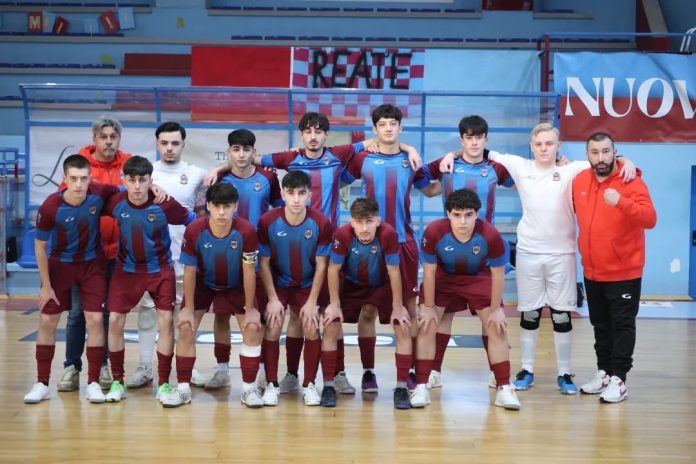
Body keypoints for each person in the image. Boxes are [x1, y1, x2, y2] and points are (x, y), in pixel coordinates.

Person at [208, 112, 422, 396]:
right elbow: (249, 159)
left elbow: (379, 140)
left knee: (332, 312)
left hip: (330, 247)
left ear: (325, 135)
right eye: (308, 131)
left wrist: (410, 148)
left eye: (318, 131)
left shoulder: (339, 154)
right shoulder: (289, 158)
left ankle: (337, 374)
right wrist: (220, 167)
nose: (313, 136)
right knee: (294, 316)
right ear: (301, 135)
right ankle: (287, 375)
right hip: (293, 245)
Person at [439, 122, 635, 395]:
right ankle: (527, 369)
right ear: (531, 146)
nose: (544, 148)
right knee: (530, 314)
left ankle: (564, 373)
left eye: (549, 143)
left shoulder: (571, 170)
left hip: (562, 254)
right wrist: (450, 154)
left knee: (561, 316)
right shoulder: (520, 166)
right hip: (529, 253)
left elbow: (604, 160)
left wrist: (625, 159)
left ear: (558, 146)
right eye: (539, 144)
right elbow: (477, 150)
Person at [345, 104, 438, 391]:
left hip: (403, 242)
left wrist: (453, 174)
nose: (388, 129)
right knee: (368, 311)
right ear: (374, 129)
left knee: (408, 310)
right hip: (367, 244)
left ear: (400, 127)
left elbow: (430, 189)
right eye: (382, 125)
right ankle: (368, 372)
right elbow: (335, 175)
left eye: (392, 124)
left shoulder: (411, 160)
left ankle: (410, 371)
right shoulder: (362, 158)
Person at [423, 115, 514, 390]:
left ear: (486, 139)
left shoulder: (496, 168)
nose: (474, 143)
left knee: (491, 318)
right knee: (443, 315)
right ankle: (433, 371)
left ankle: (498, 373)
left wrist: (559, 163)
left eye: (479, 138)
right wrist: (446, 159)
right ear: (461, 139)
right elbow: (421, 182)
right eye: (469, 138)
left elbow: (528, 179)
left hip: (484, 256)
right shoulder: (446, 165)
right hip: (448, 253)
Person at [24, 155, 121, 404]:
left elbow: (128, 190)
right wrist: (46, 286)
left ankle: (93, 383)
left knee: (95, 320)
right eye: (74, 179)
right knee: (47, 321)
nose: (79, 184)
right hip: (60, 266)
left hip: (92, 266)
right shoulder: (50, 206)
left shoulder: (99, 193)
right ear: (64, 179)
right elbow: (39, 247)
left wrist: (155, 187)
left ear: (91, 178)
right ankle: (42, 383)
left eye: (83, 179)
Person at [411, 188, 520, 410]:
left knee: (496, 325)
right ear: (448, 214)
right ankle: (422, 385)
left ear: (477, 214)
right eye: (457, 215)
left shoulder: (490, 235)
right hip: (444, 277)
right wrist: (428, 307)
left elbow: (498, 275)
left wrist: (496, 309)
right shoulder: (434, 231)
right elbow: (429, 272)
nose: (463, 221)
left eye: (468, 215)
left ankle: (503, 387)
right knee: (427, 323)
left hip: (478, 276)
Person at [101, 156, 195, 403]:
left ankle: (163, 384)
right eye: (131, 180)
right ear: (124, 179)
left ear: (151, 180)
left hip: (160, 270)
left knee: (166, 321)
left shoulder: (164, 203)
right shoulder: (115, 201)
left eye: (142, 180)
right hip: (126, 270)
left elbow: (193, 222)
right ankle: (117, 381)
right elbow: (89, 192)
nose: (137, 186)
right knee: (114, 320)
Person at [160, 183, 263, 408]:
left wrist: (250, 308)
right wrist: (188, 308)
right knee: (185, 326)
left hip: (236, 284)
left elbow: (249, 271)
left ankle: (248, 389)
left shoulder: (246, 231)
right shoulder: (194, 230)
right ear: (208, 206)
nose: (222, 212)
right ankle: (183, 390)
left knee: (253, 327)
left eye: (227, 207)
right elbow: (189, 270)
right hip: (203, 283)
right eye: (217, 206)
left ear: (235, 207)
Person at [573, 132, 656, 403]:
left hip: (624, 271)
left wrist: (621, 200)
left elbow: (650, 219)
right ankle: (605, 372)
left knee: (622, 325)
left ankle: (620, 379)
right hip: (592, 270)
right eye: (595, 152)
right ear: (587, 154)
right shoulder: (580, 180)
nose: (601, 157)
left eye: (606, 151)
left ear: (615, 152)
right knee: (600, 325)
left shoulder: (631, 180)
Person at [127, 122, 208, 390]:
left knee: (185, 314)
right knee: (149, 313)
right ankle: (145, 367)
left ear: (184, 144)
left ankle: (188, 367)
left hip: (186, 257)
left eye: (175, 143)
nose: (169, 148)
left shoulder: (197, 174)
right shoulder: (145, 175)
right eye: (164, 143)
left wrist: (221, 167)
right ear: (157, 144)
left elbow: (208, 207)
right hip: (152, 258)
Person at [58, 115, 133, 392]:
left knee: (107, 313)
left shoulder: (128, 164)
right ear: (94, 139)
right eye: (103, 137)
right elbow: (63, 202)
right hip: (85, 255)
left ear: (119, 139)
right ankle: (71, 367)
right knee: (78, 313)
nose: (109, 141)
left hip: (118, 255)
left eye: (113, 137)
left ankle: (102, 364)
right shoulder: (80, 166)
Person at [204, 128, 282, 391]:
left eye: (246, 149)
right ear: (229, 152)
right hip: (224, 257)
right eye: (236, 149)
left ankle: (261, 371)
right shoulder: (219, 178)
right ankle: (222, 370)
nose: (241, 154)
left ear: (253, 152)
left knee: (257, 317)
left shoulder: (268, 178)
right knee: (221, 316)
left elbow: (279, 210)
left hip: (258, 258)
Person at [323, 198, 412, 409]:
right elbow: (333, 269)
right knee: (331, 323)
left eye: (369, 221)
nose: (364, 228)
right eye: (359, 222)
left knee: (402, 326)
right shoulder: (343, 234)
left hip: (380, 283)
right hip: (350, 284)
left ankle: (397, 386)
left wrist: (398, 308)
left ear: (378, 221)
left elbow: (394, 271)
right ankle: (328, 385)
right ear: (351, 222)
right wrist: (334, 303)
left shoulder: (388, 234)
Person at [257, 170, 332, 407]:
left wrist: (312, 302)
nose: (296, 199)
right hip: (279, 282)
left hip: (307, 283)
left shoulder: (321, 222)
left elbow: (322, 265)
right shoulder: (267, 221)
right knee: (274, 322)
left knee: (309, 324)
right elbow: (263, 263)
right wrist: (272, 298)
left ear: (310, 195)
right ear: (282, 195)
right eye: (291, 193)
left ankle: (309, 384)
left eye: (301, 193)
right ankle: (272, 384)